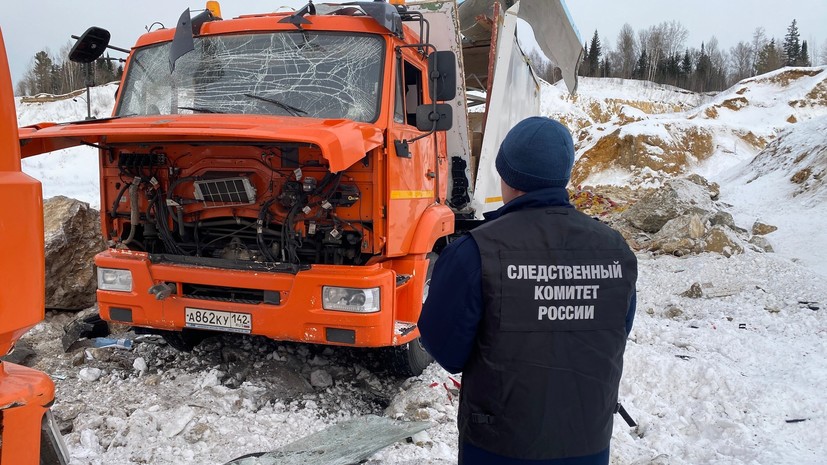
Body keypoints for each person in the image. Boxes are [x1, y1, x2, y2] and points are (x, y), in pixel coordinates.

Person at [419, 116, 638, 465]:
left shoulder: (474, 252)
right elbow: (614, 332)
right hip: (588, 443)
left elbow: (445, 350)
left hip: (498, 448)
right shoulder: (616, 250)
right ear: (564, 175)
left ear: (506, 175)